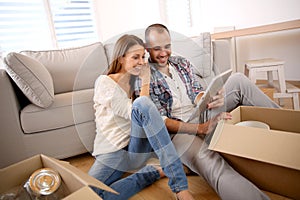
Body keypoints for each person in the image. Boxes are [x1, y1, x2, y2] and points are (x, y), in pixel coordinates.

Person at [140, 23, 281, 200]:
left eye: (167, 46)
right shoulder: (144, 76)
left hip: (200, 115)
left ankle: (287, 130)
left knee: (237, 80)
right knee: (209, 160)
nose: (163, 53)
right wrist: (200, 128)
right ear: (147, 49)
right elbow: (160, 121)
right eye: (157, 48)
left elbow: (196, 91)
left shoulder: (181, 63)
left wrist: (209, 99)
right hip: (178, 133)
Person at [88, 34, 195, 200]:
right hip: (113, 151)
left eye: (143, 57)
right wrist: (146, 80)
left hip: (137, 147)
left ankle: (180, 187)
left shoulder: (135, 83)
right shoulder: (104, 82)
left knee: (143, 104)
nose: (142, 62)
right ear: (121, 58)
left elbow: (148, 112)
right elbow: (131, 112)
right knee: (88, 194)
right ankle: (152, 173)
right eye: (135, 57)